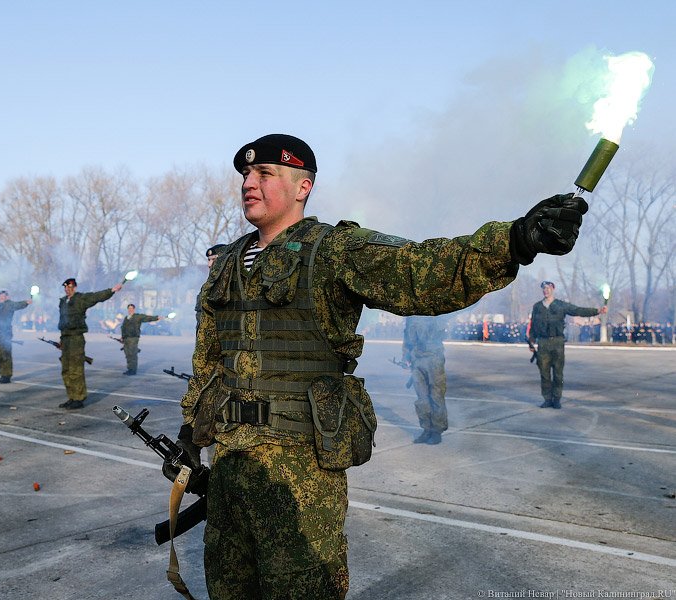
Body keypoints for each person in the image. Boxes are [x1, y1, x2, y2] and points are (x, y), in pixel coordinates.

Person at [169, 133, 588, 599]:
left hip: (300, 471)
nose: (250, 182)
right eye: (246, 174)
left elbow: (420, 269)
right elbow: (208, 358)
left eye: (265, 173)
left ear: (303, 187)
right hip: (227, 464)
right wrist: (192, 431)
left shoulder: (333, 250)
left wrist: (515, 239)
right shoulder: (227, 262)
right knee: (227, 588)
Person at [527, 281, 606, 409]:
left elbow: (577, 310)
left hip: (557, 342)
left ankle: (557, 399)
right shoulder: (537, 307)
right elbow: (533, 325)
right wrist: (531, 341)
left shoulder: (560, 305)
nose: (546, 290)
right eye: (544, 288)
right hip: (543, 343)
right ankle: (547, 399)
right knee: (544, 373)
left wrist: (597, 311)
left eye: (548, 288)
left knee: (558, 373)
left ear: (553, 289)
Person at [57, 277, 122, 409]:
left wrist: (111, 290)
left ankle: (79, 398)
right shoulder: (63, 301)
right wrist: (61, 339)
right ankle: (71, 396)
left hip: (76, 338)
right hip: (65, 337)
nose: (67, 290)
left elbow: (96, 296)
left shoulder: (81, 298)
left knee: (76, 369)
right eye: (65, 287)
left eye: (69, 287)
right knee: (66, 369)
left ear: (74, 287)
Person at [401, 315, 447, 445]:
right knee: (422, 399)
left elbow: (442, 329)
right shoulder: (411, 317)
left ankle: (436, 431)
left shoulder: (436, 313)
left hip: (434, 359)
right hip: (417, 361)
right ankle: (426, 429)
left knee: (436, 396)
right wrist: (405, 357)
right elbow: (407, 338)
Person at [0, 290, 32, 383]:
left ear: (7, 297)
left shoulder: (9, 304)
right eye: (0, 296)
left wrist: (26, 302)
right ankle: (2, 374)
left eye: (3, 296)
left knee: (6, 355)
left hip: (6, 333)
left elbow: (18, 305)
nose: (2, 297)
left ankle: (7, 376)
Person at [120, 303, 160, 375]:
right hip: (126, 338)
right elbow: (123, 328)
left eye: (131, 308)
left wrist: (156, 318)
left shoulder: (137, 317)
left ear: (134, 309)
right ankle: (129, 369)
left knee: (133, 354)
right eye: (129, 308)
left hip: (133, 338)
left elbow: (147, 318)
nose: (130, 310)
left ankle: (133, 370)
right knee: (128, 354)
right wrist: (122, 337)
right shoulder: (126, 318)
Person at [196, 244, 227, 330]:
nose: (209, 264)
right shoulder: (207, 286)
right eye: (209, 260)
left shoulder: (234, 283)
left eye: (214, 259)